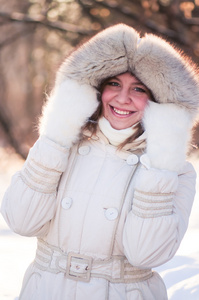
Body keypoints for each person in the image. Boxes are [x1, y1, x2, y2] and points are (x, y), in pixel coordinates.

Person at [1, 23, 199, 300]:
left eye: (139, 89)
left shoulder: (174, 173)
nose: (122, 97)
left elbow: (146, 253)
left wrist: (162, 160)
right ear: (95, 90)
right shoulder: (62, 146)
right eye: (114, 84)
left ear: (160, 103)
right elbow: (21, 221)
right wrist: (56, 134)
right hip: (46, 289)